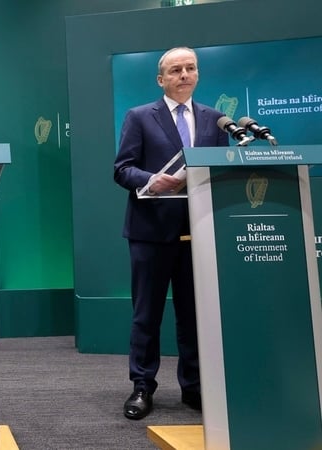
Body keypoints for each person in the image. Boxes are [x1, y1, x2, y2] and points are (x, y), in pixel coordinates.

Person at [112, 47, 228, 420]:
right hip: (150, 232)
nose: (184, 75)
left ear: (198, 75)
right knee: (147, 314)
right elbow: (122, 169)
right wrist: (151, 180)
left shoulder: (216, 121)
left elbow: (221, 172)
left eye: (190, 68)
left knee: (194, 314)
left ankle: (193, 388)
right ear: (161, 79)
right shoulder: (140, 117)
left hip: (198, 231)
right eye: (175, 70)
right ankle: (142, 386)